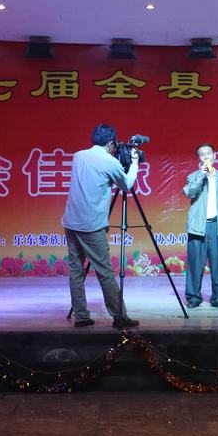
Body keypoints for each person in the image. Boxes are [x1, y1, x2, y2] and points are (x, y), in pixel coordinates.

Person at [62, 124, 141, 328]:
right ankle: (119, 316)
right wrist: (134, 164)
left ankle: (81, 316)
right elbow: (126, 185)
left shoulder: (78, 156)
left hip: (71, 221)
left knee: (76, 271)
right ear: (111, 143)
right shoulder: (110, 162)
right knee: (104, 272)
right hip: (91, 225)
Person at [182, 143, 218, 309]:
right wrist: (201, 176)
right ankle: (193, 298)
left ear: (214, 156)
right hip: (198, 227)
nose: (206, 157)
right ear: (199, 158)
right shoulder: (193, 176)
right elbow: (189, 192)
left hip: (217, 226)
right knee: (195, 266)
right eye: (202, 154)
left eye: (208, 153)